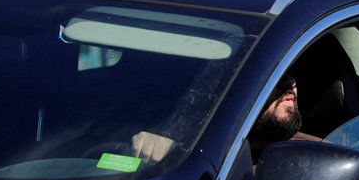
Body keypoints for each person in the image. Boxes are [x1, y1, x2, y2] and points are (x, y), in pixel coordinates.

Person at [131, 72, 318, 163]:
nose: (290, 82)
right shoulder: (188, 158)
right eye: (272, 75)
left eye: (287, 71)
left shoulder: (313, 157)